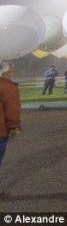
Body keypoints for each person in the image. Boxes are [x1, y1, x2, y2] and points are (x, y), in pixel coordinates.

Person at [0, 62, 22, 195]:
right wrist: (14, 126)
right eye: (10, 71)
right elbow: (12, 109)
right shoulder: (7, 86)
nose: (12, 74)